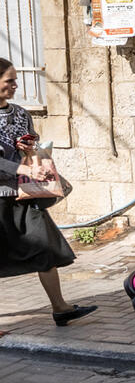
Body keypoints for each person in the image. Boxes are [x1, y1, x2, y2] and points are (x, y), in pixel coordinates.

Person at [0, 58, 96, 326]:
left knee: (44, 248)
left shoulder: (20, 113)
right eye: (9, 80)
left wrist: (29, 150)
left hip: (25, 196)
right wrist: (27, 170)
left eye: (15, 79)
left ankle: (60, 307)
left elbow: (32, 142)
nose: (15, 85)